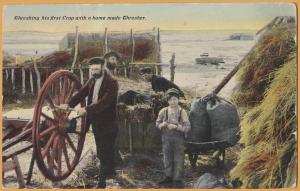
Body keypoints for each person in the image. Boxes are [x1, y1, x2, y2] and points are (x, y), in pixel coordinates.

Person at [59, 57, 119, 188]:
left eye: (96, 69)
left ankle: (102, 183)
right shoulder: (92, 79)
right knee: (103, 148)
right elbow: (81, 93)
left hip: (108, 121)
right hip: (96, 120)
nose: (94, 71)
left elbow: (105, 102)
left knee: (104, 150)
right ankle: (111, 172)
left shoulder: (112, 82)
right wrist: (68, 104)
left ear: (103, 67)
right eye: (92, 69)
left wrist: (86, 109)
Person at [156, 88, 191, 188]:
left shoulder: (182, 112)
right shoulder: (163, 111)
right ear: (167, 101)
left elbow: (188, 127)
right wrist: (162, 124)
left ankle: (177, 179)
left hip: (178, 139)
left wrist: (176, 127)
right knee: (167, 158)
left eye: (175, 99)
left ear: (178, 100)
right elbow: (157, 123)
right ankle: (168, 177)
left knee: (178, 159)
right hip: (166, 138)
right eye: (171, 100)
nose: (173, 102)